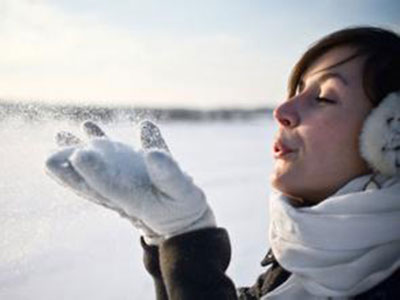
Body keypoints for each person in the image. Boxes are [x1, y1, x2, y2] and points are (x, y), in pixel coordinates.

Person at [45, 26, 400, 299]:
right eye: (295, 92)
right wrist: (168, 240)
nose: (282, 112)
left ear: (390, 137)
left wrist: (189, 240)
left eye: (323, 97)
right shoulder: (300, 265)